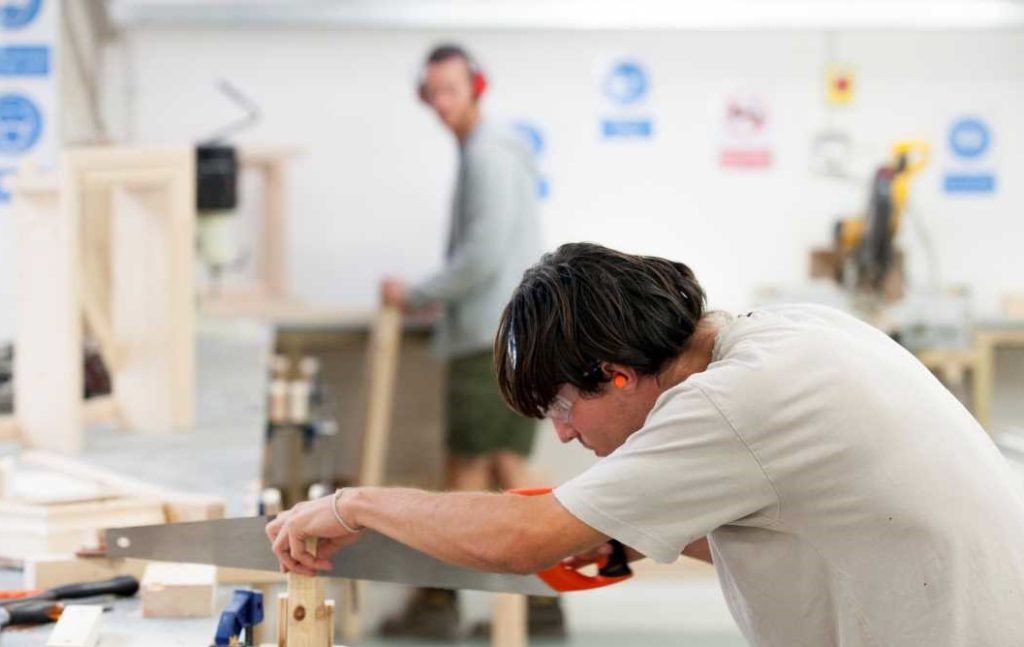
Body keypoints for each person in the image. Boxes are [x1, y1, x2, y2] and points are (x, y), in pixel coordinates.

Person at [269, 242, 1024, 647]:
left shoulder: (725, 404)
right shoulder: (786, 333)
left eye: (564, 404)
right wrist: (624, 526)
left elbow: (523, 539)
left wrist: (353, 505)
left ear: (619, 376)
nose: (561, 431)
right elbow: (799, 521)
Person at [377, 43, 556, 638]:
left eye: (451, 88)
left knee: (465, 476)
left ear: (476, 86)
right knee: (510, 469)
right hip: (504, 332)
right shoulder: (496, 147)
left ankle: (441, 605)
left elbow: (480, 255)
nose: (442, 102)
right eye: (433, 92)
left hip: (486, 337)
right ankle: (542, 602)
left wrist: (419, 291)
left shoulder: (486, 153)